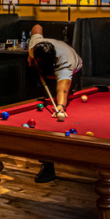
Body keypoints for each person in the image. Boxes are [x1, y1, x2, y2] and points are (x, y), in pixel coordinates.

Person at [27, 24, 83, 183]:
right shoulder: (35, 46)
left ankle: (65, 155)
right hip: (43, 62)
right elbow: (37, 27)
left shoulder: (64, 63)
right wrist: (31, 57)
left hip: (75, 68)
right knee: (45, 101)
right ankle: (47, 165)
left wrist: (61, 107)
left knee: (60, 96)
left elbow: (62, 90)